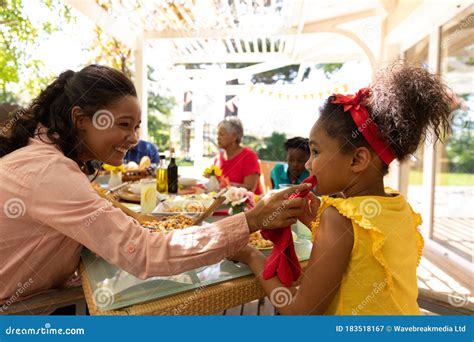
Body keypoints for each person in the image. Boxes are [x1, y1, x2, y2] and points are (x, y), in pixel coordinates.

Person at [0, 65, 309, 303]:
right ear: (80, 118)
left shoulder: (44, 156)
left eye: (136, 127)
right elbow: (144, 253)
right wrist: (252, 219)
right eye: (123, 125)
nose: (134, 139)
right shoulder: (48, 170)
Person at [231, 63, 454, 315]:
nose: (307, 163)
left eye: (315, 151)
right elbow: (358, 255)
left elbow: (300, 311)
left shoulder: (338, 218)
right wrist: (314, 222)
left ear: (357, 160)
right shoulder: (399, 206)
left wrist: (250, 255)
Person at [214, 116, 262, 194]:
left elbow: (250, 188)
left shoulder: (249, 156)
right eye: (217, 134)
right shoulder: (218, 158)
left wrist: (228, 186)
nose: (217, 138)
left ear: (234, 137)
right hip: (223, 203)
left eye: (221, 134)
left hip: (246, 204)